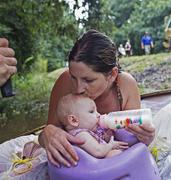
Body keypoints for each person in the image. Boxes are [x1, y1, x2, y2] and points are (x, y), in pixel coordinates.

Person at [38, 29, 155, 168]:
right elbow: (47, 135)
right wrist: (47, 134)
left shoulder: (125, 86)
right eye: (73, 77)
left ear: (112, 74)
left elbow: (130, 143)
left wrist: (146, 138)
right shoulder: (64, 82)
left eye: (88, 80)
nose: (78, 89)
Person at [56, 93, 129, 159]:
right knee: (115, 154)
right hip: (92, 166)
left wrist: (108, 134)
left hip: (97, 161)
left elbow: (101, 141)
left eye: (96, 111)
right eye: (91, 112)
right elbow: (98, 152)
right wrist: (111, 145)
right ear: (74, 120)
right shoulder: (80, 135)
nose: (98, 115)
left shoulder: (89, 129)